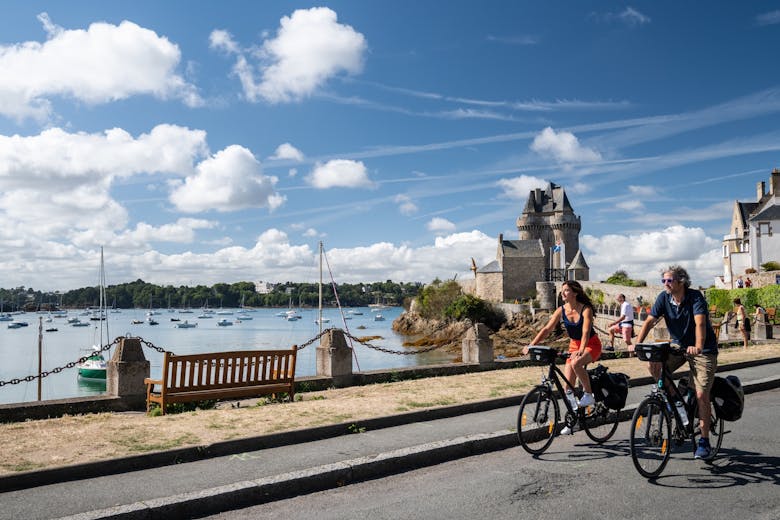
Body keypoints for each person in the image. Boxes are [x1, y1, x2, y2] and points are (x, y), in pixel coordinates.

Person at [634, 265, 718, 460]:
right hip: (678, 346)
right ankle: (674, 403)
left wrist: (697, 345)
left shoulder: (695, 297)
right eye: (663, 281)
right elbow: (649, 321)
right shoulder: (664, 298)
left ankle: (704, 441)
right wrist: (637, 345)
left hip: (703, 350)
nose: (665, 284)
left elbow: (700, 323)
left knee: (700, 394)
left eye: (669, 280)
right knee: (654, 364)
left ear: (681, 281)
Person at [523, 280, 602, 435]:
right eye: (562, 290)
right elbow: (547, 329)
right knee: (567, 388)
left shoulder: (586, 309)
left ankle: (588, 394)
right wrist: (531, 345)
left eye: (566, 290)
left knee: (576, 363)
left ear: (575, 293)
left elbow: (586, 332)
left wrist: (581, 350)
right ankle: (575, 419)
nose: (562, 293)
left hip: (591, 345)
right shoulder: (561, 310)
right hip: (574, 345)